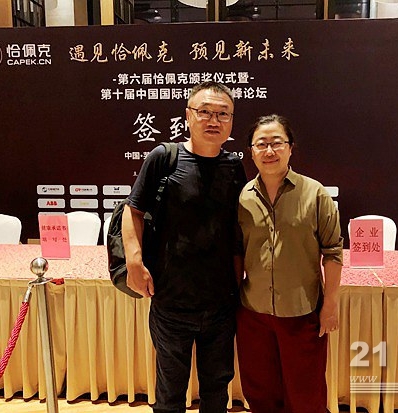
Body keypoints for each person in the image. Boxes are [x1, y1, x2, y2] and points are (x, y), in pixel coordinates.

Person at [122, 81, 247, 413]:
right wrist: (134, 261)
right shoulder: (164, 158)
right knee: (170, 393)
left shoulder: (234, 167)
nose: (213, 120)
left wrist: (237, 286)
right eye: (204, 111)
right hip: (171, 301)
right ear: (188, 116)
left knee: (217, 390)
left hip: (220, 304)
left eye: (223, 114)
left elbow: (236, 232)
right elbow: (133, 210)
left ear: (231, 122)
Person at [236, 114, 343, 413]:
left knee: (306, 397)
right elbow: (236, 252)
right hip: (253, 313)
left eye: (277, 143)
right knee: (260, 394)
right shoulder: (242, 198)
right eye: (261, 144)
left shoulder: (315, 193)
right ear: (251, 151)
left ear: (290, 147)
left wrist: (330, 305)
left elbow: (333, 252)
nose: (269, 151)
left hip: (301, 312)